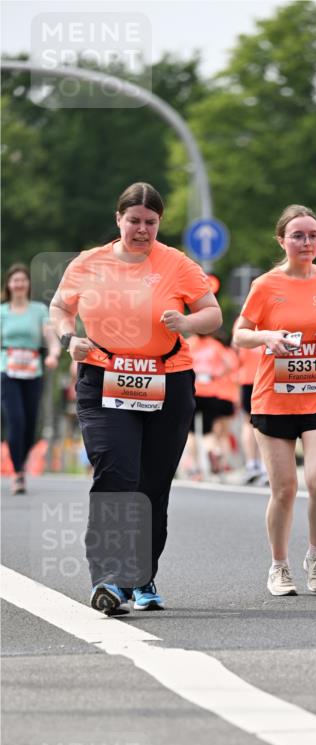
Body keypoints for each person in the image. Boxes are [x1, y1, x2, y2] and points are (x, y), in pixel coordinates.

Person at [49, 181, 221, 614]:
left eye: (151, 223)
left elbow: (213, 313)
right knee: (115, 472)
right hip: (104, 377)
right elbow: (59, 308)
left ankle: (141, 576)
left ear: (159, 223)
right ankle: (107, 579)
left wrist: (186, 321)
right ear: (118, 219)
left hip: (168, 381)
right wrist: (70, 338)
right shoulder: (89, 263)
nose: (142, 230)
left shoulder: (177, 264)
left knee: (151, 486)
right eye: (134, 221)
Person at [232, 204, 316, 596]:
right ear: (282, 240)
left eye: (313, 235)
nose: (307, 242)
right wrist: (267, 337)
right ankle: (279, 566)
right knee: (284, 489)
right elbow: (239, 334)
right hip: (274, 398)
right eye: (298, 235)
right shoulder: (265, 285)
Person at [1, 263, 61, 494]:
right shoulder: (2, 312)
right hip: (7, 371)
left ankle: (20, 461)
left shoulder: (38, 311)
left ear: (28, 284)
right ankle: (18, 473)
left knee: (30, 425)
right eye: (14, 280)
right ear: (9, 284)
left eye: (22, 280)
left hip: (33, 372)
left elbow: (49, 336)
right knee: (15, 421)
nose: (18, 284)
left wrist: (54, 354)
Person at [186, 332, 240, 476]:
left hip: (192, 390)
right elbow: (231, 364)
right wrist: (218, 374)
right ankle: (214, 452)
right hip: (211, 392)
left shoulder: (189, 343)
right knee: (209, 431)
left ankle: (194, 468)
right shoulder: (215, 345)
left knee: (191, 432)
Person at [237, 344, 266, 483]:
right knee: (266, 421)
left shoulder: (242, 323)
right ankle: (264, 466)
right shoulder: (272, 322)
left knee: (248, 423)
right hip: (266, 376)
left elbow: (236, 356)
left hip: (249, 378)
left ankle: (252, 464)